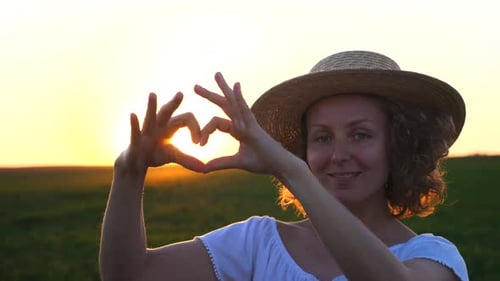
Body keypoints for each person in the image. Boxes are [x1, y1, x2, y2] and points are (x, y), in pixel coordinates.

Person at [99, 50, 469, 281]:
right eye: (322, 137)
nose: (339, 153)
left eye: (360, 135)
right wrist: (129, 172)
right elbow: (129, 274)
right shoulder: (259, 243)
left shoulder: (434, 258)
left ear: (398, 144)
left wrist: (292, 171)